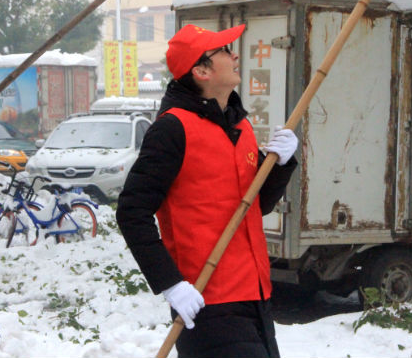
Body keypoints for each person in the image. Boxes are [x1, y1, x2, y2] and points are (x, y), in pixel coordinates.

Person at [117, 24, 299, 357]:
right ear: (201, 71)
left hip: (255, 295)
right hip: (206, 301)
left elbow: (256, 205)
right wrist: (172, 285)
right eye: (223, 51)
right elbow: (132, 211)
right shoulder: (172, 129)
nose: (234, 55)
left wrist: (281, 164)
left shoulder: (239, 125)